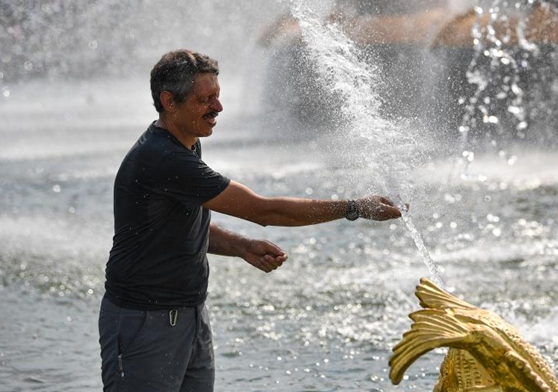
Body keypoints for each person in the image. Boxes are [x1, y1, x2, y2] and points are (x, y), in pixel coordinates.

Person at [98, 49, 403, 392]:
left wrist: (240, 246)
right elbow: (264, 211)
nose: (218, 108)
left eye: (217, 96)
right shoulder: (164, 158)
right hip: (144, 319)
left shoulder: (186, 143)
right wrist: (354, 207)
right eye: (205, 99)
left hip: (189, 313)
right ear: (169, 101)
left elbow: (175, 228)